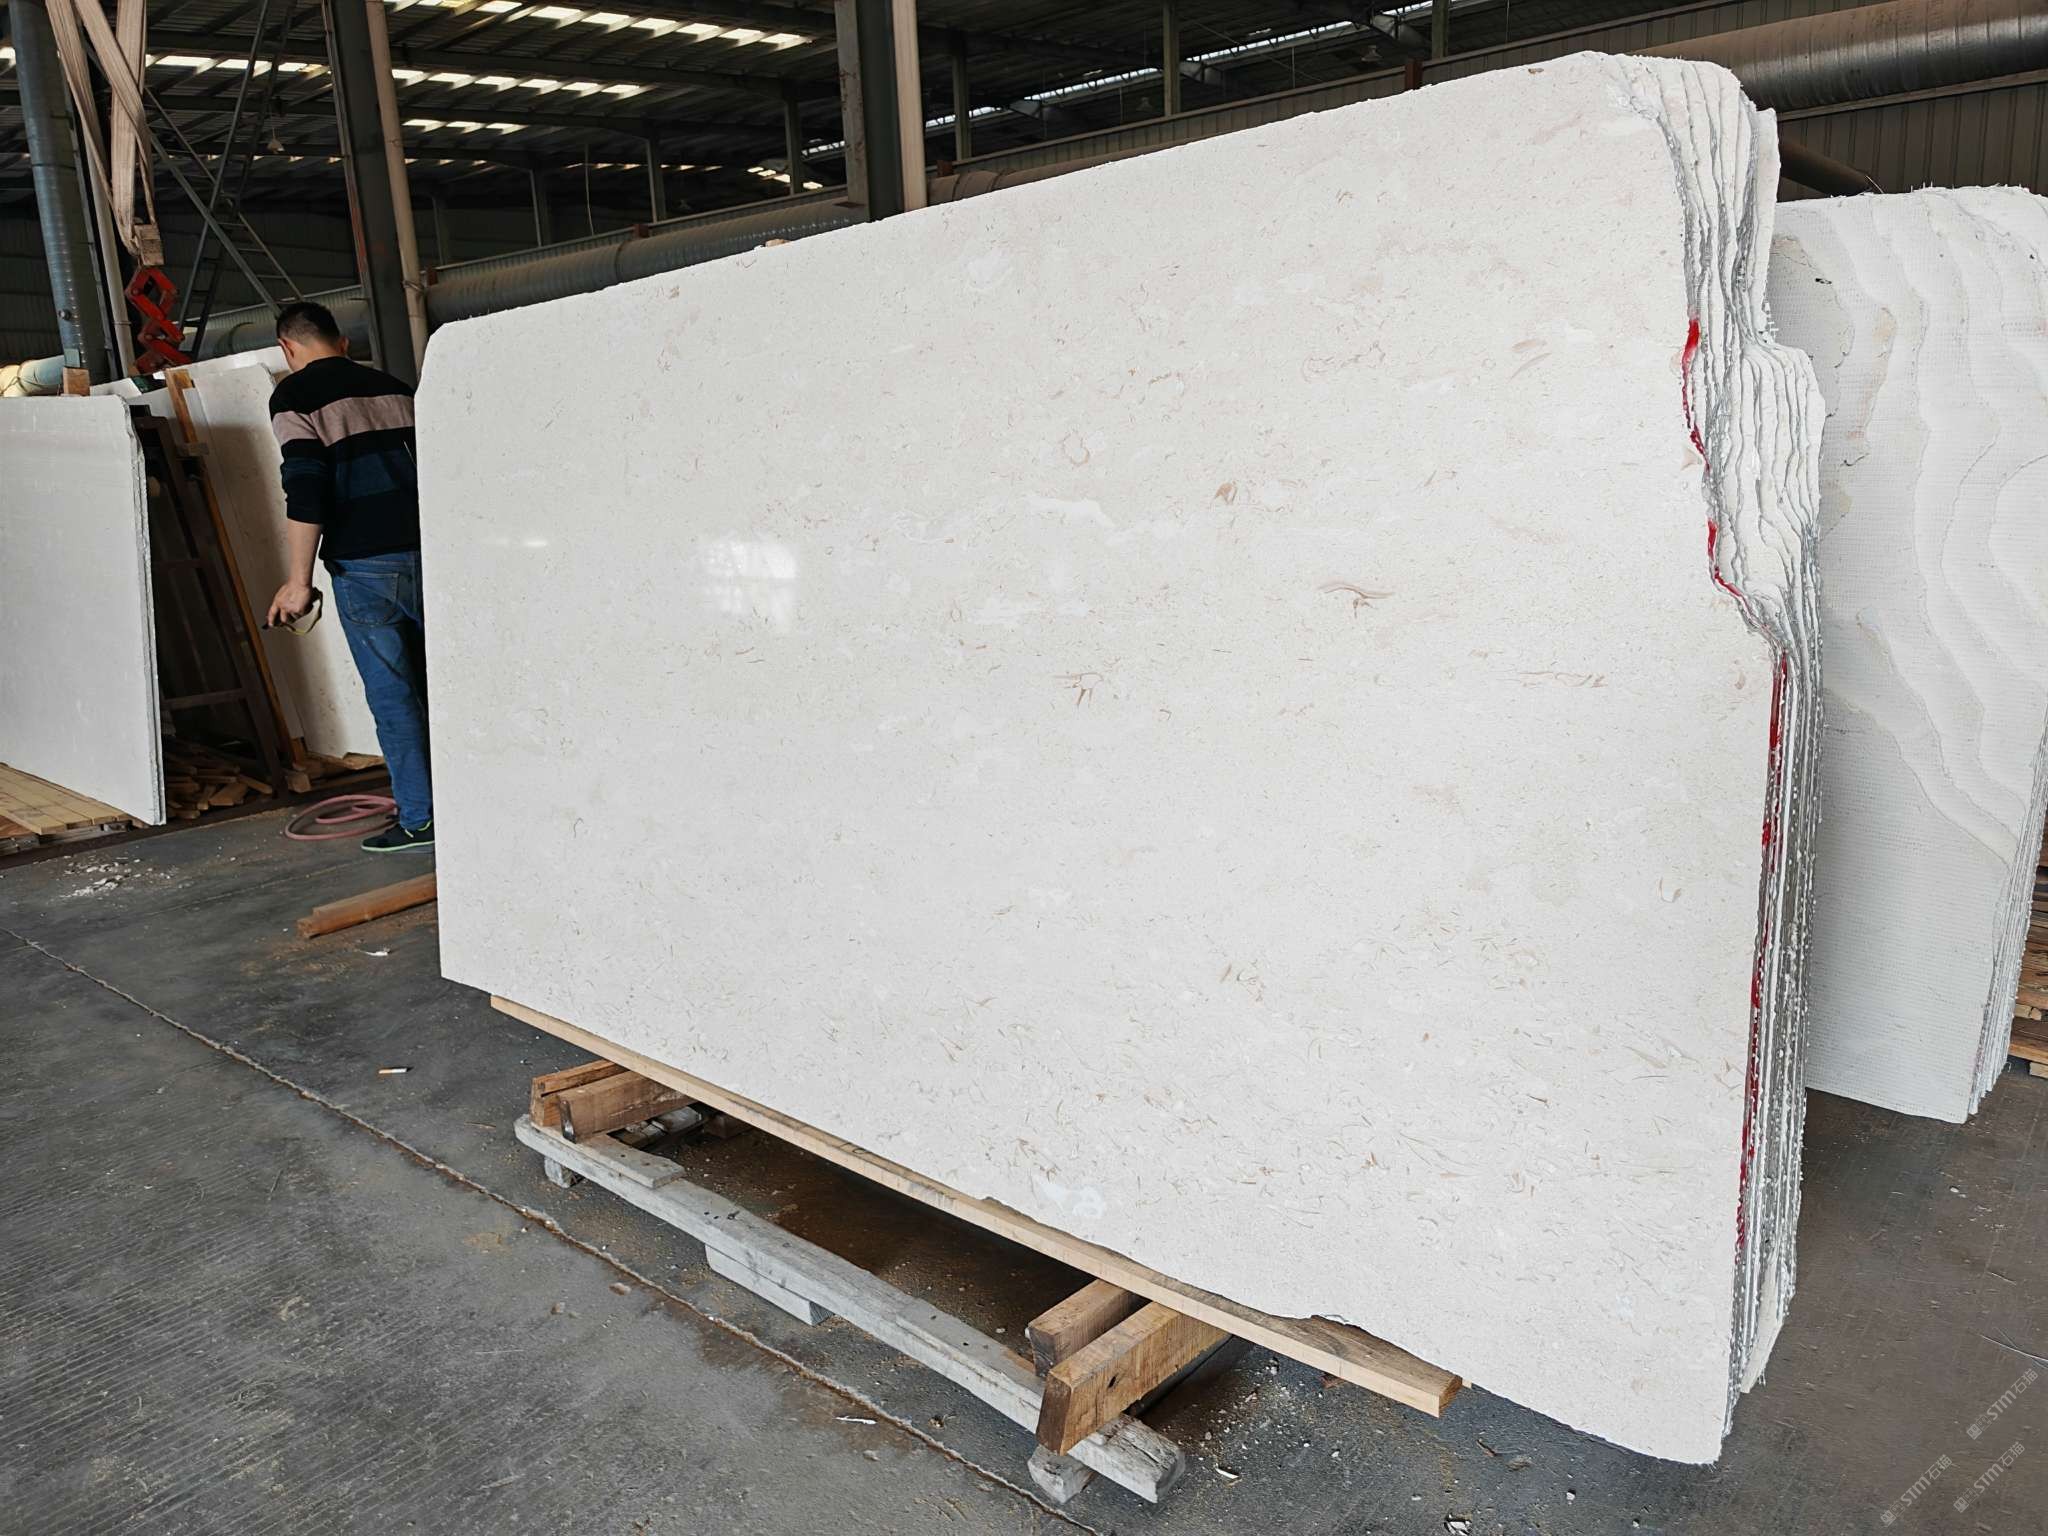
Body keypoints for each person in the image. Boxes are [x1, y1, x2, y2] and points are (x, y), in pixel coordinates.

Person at [263, 301, 433, 853]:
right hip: (434, 556)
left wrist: (298, 580)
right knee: (449, 688)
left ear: (287, 348)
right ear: (343, 343)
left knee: (395, 698)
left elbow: (306, 488)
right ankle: (475, 807)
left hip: (366, 570)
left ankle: (422, 820)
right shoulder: (397, 388)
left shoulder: (293, 397)